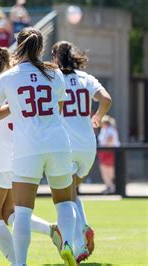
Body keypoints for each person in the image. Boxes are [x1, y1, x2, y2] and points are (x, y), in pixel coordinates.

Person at [0, 28, 76, 265]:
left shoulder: (8, 76)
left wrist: (15, 107)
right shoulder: (55, 74)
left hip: (27, 147)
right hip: (57, 143)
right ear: (41, 48)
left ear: (18, 45)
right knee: (65, 201)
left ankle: (21, 263)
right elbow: (60, 108)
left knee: (22, 210)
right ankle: (67, 243)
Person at [0, 43, 59, 264]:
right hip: (17, 152)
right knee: (10, 212)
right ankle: (51, 230)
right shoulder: (13, 81)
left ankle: (17, 262)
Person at [52, 41, 112, 263]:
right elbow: (106, 99)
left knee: (64, 198)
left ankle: (77, 244)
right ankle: (83, 228)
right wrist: (98, 117)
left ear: (55, 57)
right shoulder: (86, 78)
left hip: (64, 144)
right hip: (87, 144)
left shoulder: (53, 76)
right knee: (73, 192)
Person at [97, 115, 120, 194]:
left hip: (109, 151)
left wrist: (105, 147)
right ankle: (109, 186)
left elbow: (110, 141)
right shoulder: (104, 130)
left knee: (109, 170)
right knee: (104, 169)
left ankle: (112, 187)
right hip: (104, 152)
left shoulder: (110, 129)